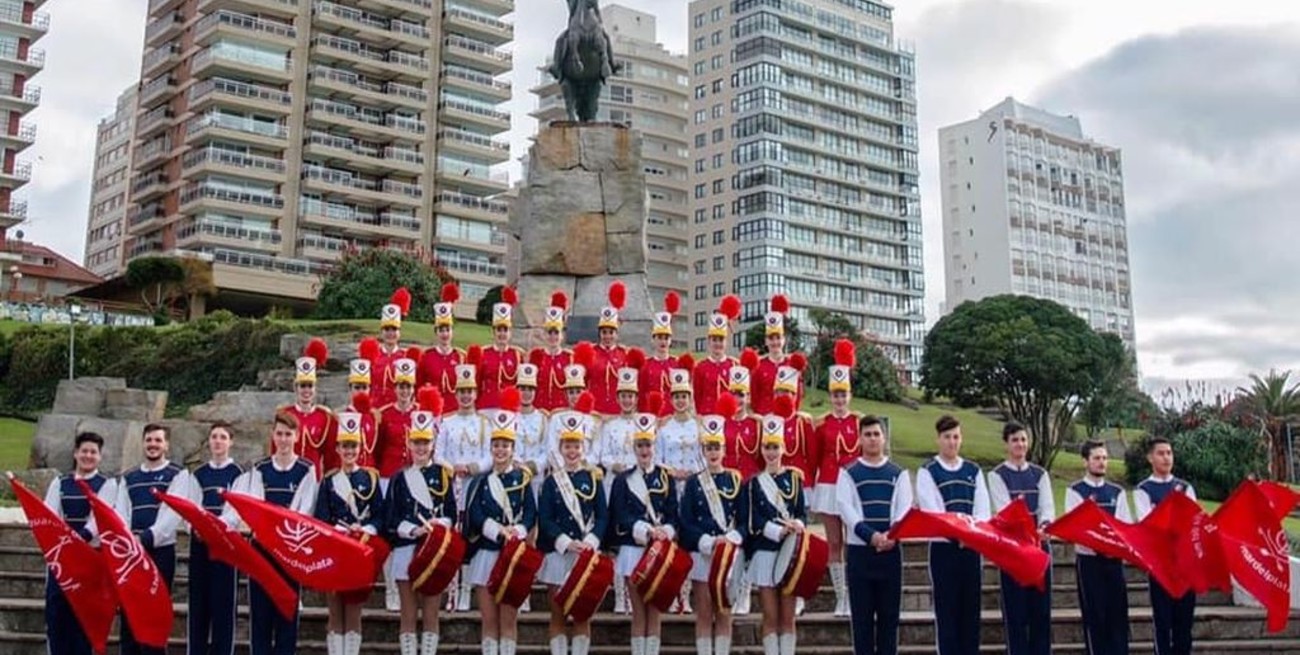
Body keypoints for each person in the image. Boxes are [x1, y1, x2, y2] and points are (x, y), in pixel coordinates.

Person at [226, 412, 319, 655]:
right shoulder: (260, 468)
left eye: (288, 434)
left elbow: (304, 511)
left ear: (296, 437)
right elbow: (255, 507)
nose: (284, 439)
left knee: (287, 614)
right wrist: (264, 532)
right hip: (261, 551)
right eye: (279, 434)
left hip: (289, 552)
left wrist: (283, 536)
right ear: (273, 436)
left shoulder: (306, 469)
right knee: (260, 616)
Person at [465, 396, 537, 655]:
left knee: (508, 620)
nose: (500, 450)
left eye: (505, 445)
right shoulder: (480, 482)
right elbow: (475, 513)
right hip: (487, 552)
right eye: (496, 445)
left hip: (513, 554)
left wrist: (516, 531)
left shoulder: (522, 479)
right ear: (491, 448)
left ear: (512, 448)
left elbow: (530, 512)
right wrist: (498, 531)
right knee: (489, 620)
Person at [835, 415, 913, 655]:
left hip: (890, 553)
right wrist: (872, 537)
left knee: (890, 620)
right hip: (860, 553)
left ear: (884, 437)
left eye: (876, 434)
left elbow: (905, 509)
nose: (872, 439)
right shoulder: (848, 472)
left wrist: (890, 536)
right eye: (867, 434)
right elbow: (845, 509)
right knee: (862, 621)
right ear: (859, 438)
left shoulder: (898, 473)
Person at [914, 414, 990, 655]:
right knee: (947, 613)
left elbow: (982, 510)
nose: (952, 442)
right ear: (938, 440)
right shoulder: (928, 471)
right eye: (947, 437)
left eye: (956, 437)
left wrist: (972, 534)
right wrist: (958, 534)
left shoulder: (973, 470)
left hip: (971, 548)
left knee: (970, 614)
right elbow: (933, 511)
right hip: (944, 549)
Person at [114, 423, 191, 655]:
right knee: (129, 612)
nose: (153, 444)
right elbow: (120, 512)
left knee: (154, 614)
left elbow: (171, 515)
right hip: (131, 555)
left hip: (160, 553)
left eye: (158, 440)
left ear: (166, 445)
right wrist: (129, 540)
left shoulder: (178, 475)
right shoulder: (129, 477)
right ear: (143, 443)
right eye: (149, 440)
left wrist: (146, 538)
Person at [386, 411, 457, 655]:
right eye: (416, 442)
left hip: (434, 550)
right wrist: (413, 530)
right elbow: (391, 518)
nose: (421, 447)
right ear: (409, 443)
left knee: (431, 612)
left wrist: (439, 525)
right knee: (407, 612)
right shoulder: (398, 478)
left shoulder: (442, 475)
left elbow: (451, 513)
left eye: (425, 442)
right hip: (407, 547)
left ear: (433, 444)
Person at [608, 411, 679, 655]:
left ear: (654, 445)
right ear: (633, 447)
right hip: (634, 550)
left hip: (659, 550)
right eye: (640, 445)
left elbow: (673, 512)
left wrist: (665, 530)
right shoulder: (623, 480)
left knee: (655, 610)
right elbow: (619, 514)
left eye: (648, 444)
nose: (644, 450)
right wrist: (646, 530)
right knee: (639, 611)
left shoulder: (665, 477)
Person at [43, 432, 119, 655]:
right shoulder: (60, 482)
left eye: (93, 452)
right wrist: (62, 543)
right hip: (61, 560)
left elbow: (100, 518)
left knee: (85, 621)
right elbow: (50, 515)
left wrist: (80, 538)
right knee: (57, 618)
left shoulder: (107, 484)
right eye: (84, 451)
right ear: (76, 454)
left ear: (100, 457)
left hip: (90, 559)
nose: (88, 456)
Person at [537, 417, 608, 655]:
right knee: (557, 613)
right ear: (560, 449)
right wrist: (566, 543)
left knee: (582, 614)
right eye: (567, 446)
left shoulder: (593, 479)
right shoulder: (550, 482)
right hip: (558, 553)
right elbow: (545, 519)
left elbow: (602, 517)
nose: (572, 451)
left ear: (583, 448)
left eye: (576, 446)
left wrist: (589, 542)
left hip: (584, 554)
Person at [315, 420, 386, 655]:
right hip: (335, 547)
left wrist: (365, 530)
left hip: (360, 548)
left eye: (353, 446)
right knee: (335, 608)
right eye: (345, 446)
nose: (349, 451)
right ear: (337, 449)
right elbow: (321, 517)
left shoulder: (371, 478)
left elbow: (379, 516)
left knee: (354, 607)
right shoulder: (328, 481)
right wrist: (338, 529)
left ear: (361, 449)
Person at [987, 422, 1055, 655]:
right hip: (1014, 553)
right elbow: (1005, 510)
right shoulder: (997, 475)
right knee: (1016, 615)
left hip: (1039, 551)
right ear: (1007, 443)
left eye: (1023, 440)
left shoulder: (1040, 474)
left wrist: (1044, 525)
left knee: (1041, 614)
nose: (1020, 444)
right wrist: (1025, 532)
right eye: (1015, 440)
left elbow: (1047, 507)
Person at [679, 416, 744, 655]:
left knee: (724, 612)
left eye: (717, 447)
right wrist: (706, 542)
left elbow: (745, 520)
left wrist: (731, 539)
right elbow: (685, 522)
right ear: (703, 451)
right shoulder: (694, 483)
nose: (713, 452)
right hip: (702, 554)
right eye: (709, 448)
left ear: (724, 449)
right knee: (704, 612)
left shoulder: (735, 480)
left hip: (728, 554)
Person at [745, 415, 808, 655]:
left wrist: (797, 524)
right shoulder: (754, 483)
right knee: (770, 616)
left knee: (788, 617)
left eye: (775, 447)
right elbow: (754, 520)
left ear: (784, 448)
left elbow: (802, 512)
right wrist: (777, 530)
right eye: (767, 447)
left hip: (790, 552)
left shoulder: (794, 478)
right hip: (766, 550)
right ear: (761, 449)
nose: (771, 453)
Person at [1065, 440, 1132, 655]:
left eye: (1104, 458)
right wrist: (1097, 545)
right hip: (1089, 561)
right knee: (1095, 618)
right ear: (1086, 461)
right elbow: (1076, 526)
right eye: (1096, 458)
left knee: (1118, 617)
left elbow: (1125, 526)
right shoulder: (1075, 491)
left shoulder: (1117, 492)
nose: (1102, 462)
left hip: (1114, 562)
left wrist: (1113, 546)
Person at [1134, 437, 1197, 655]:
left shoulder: (1185, 488)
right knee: (1162, 623)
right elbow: (1147, 525)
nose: (1166, 457)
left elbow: (1193, 521)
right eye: (1161, 453)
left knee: (1184, 625)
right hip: (1160, 567)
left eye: (1169, 453)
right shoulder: (1143, 489)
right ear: (1150, 458)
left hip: (1184, 566)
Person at [185, 421, 244, 655]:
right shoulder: (198, 474)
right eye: (214, 437)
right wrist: (199, 527)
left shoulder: (238, 473)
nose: (218, 441)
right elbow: (191, 506)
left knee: (223, 608)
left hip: (226, 547)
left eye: (222, 437)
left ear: (231, 442)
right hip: (200, 544)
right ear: (208, 441)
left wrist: (216, 529)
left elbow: (235, 510)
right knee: (198, 607)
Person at [438, 363, 490, 612]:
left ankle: (466, 590)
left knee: (471, 536)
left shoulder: (484, 423)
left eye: (470, 391)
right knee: (453, 537)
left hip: (475, 486)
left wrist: (473, 467)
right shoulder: (447, 422)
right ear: (456, 394)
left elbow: (491, 456)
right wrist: (452, 468)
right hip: (452, 486)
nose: (466, 396)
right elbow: (437, 454)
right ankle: (451, 590)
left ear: (476, 393)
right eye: (462, 391)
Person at [813, 343, 860, 617]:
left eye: (843, 394)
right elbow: (816, 457)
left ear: (850, 395)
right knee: (834, 543)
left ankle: (854, 595)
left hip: (852, 486)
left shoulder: (859, 422)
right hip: (829, 484)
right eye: (835, 394)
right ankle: (840, 596)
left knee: (853, 541)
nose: (839, 399)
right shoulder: (822, 424)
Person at [377, 357, 421, 611]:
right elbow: (380, 447)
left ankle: (409, 583)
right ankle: (391, 587)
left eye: (408, 386)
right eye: (400, 386)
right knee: (390, 532)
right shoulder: (385, 415)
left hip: (413, 477)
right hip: (388, 476)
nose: (404, 391)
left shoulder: (421, 414)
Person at [657, 367, 701, 613]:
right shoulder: (664, 429)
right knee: (672, 540)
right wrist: (672, 472)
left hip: (693, 487)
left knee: (689, 540)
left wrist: (691, 471)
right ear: (671, 399)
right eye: (676, 396)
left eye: (685, 396)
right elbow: (658, 458)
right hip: (671, 488)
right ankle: (672, 593)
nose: (681, 400)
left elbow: (705, 457)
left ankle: (687, 593)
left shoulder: (700, 427)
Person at [595, 366, 639, 614]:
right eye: (623, 395)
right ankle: (619, 596)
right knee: (614, 543)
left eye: (631, 395)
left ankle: (631, 593)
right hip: (613, 483)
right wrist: (616, 465)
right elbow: (603, 454)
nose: (627, 400)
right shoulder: (609, 425)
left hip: (635, 487)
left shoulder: (644, 423)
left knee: (631, 540)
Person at [279, 340, 337, 478]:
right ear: (296, 388)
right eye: (302, 386)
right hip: (288, 475)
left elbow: (330, 455)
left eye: (310, 386)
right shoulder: (286, 414)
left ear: (315, 389)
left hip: (313, 478)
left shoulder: (324, 417)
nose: (306, 390)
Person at [417, 283, 464, 412]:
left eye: (447, 330)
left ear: (452, 331)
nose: (444, 334)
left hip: (454, 412)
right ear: (436, 332)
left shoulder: (459, 357)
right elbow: (419, 385)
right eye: (441, 330)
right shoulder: (427, 356)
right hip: (432, 413)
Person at [751, 295, 800, 415]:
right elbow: (754, 396)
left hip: (786, 420)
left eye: (778, 338)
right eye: (771, 338)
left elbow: (797, 395)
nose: (775, 342)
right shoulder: (758, 365)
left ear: (784, 339)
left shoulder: (792, 364)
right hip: (764, 419)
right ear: (766, 341)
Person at [691, 295, 741, 416]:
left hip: (729, 419)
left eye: (721, 340)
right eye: (714, 340)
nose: (718, 344)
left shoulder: (734, 365)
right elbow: (698, 397)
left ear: (726, 341)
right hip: (707, 418)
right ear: (709, 341)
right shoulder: (700, 367)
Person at [478, 287, 523, 410]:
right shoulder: (483, 353)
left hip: (509, 409)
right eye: (499, 330)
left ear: (510, 332)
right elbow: (477, 382)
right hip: (486, 406)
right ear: (493, 331)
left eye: (505, 330)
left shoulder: (517, 355)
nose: (502, 334)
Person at [529, 292, 573, 413]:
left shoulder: (569, 358)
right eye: (549, 333)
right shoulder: (536, 356)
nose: (553, 337)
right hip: (539, 411)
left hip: (561, 412)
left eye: (556, 333)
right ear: (544, 334)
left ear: (562, 335)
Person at [590, 281, 629, 416]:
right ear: (599, 333)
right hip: (594, 412)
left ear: (616, 334)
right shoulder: (591, 353)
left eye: (611, 332)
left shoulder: (624, 354)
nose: (607, 336)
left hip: (617, 413)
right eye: (604, 332)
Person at [638, 292, 681, 415]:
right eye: (660, 337)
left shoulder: (676, 364)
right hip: (651, 418)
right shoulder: (645, 365)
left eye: (666, 338)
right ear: (653, 339)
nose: (663, 341)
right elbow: (641, 395)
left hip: (673, 418)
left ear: (670, 340)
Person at [515, 363, 551, 499]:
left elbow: (548, 449)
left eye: (530, 389)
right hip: (513, 474)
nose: (526, 393)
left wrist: (533, 466)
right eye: (522, 388)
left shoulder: (542, 419)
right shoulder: (508, 417)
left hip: (536, 478)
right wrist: (515, 464)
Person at [373, 289, 412, 407]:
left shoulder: (406, 357)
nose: (390, 333)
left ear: (399, 332)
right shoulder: (373, 356)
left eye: (394, 329)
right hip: (375, 411)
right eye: (387, 329)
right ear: (381, 332)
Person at [721, 367, 761, 481]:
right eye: (733, 394)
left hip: (751, 479)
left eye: (741, 395)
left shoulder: (756, 424)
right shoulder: (722, 423)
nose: (736, 399)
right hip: (726, 479)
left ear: (748, 398)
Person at [341, 357, 379, 470]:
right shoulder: (341, 417)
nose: (361, 392)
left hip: (370, 473)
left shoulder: (375, 417)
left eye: (364, 387)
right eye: (357, 387)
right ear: (350, 389)